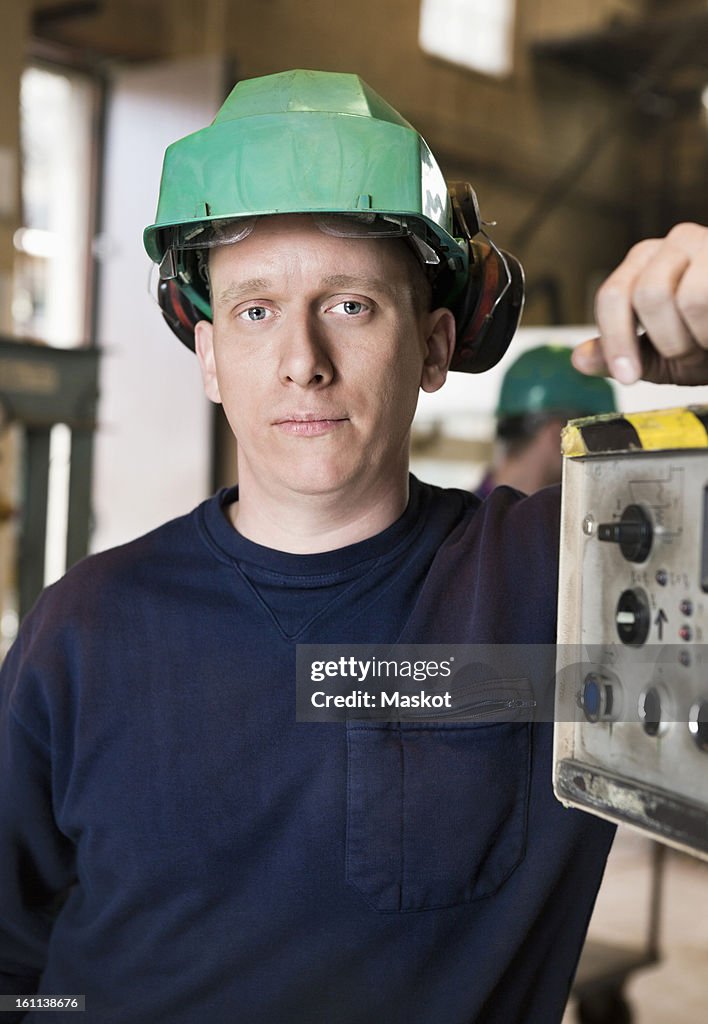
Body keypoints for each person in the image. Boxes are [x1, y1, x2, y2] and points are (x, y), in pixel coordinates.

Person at [1, 69, 707, 1024]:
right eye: (254, 311)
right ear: (208, 355)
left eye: (351, 304)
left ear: (433, 345)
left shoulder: (566, 587)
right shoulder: (85, 629)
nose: (302, 358)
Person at [475, 344, 616, 498]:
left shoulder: (468, 518)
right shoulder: (563, 516)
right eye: (594, 442)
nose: (599, 460)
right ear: (558, 435)